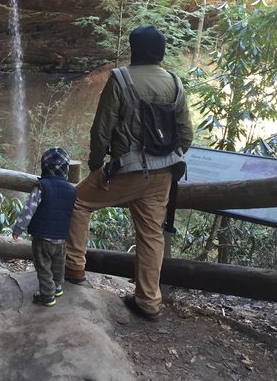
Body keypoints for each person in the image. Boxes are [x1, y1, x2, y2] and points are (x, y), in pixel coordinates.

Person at [64, 25, 193, 321]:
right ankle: (148, 301)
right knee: (151, 235)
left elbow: (102, 129)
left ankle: (74, 267)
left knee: (79, 202)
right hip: (164, 175)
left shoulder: (121, 79)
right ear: (159, 51)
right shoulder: (175, 82)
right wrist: (167, 159)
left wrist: (97, 166)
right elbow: (185, 135)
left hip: (126, 170)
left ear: (135, 50)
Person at [12, 147, 77, 307]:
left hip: (42, 237)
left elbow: (29, 210)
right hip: (61, 238)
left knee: (43, 266)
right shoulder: (72, 190)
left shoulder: (41, 186)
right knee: (58, 264)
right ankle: (57, 287)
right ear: (66, 170)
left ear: (44, 166)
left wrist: (18, 229)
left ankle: (47, 295)